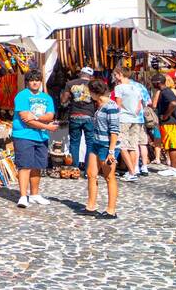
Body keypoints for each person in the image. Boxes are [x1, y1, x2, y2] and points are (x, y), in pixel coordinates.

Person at [12, 72, 57, 208]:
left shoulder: (47, 98)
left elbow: (50, 115)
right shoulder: (22, 96)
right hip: (24, 135)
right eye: (32, 80)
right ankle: (23, 196)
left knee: (38, 165)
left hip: (41, 136)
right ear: (27, 82)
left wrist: (36, 118)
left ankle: (35, 194)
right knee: (25, 165)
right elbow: (26, 119)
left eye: (37, 80)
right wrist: (46, 126)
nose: (35, 83)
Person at [83, 79, 120, 219]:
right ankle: (91, 206)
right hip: (96, 143)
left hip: (107, 146)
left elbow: (114, 130)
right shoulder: (99, 105)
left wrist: (111, 151)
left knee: (109, 177)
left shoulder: (111, 106)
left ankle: (111, 210)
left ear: (94, 92)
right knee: (91, 174)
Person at [112, 67, 146, 180]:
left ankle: (131, 172)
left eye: (116, 75)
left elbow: (118, 104)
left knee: (122, 145)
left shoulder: (119, 88)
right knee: (132, 146)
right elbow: (139, 105)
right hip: (135, 119)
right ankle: (132, 169)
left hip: (124, 118)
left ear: (120, 74)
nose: (115, 77)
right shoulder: (137, 88)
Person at [62, 66, 97, 170]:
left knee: (74, 142)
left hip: (75, 115)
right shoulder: (93, 84)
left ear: (80, 73)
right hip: (89, 115)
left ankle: (74, 168)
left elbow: (64, 100)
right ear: (91, 76)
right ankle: (88, 169)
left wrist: (64, 98)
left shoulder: (70, 83)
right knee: (90, 143)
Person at [151, 75, 176, 175]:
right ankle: (175, 168)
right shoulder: (166, 91)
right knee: (173, 145)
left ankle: (174, 168)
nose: (152, 84)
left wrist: (165, 115)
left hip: (170, 122)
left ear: (158, 82)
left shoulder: (165, 92)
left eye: (153, 81)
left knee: (172, 146)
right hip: (172, 122)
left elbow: (173, 103)